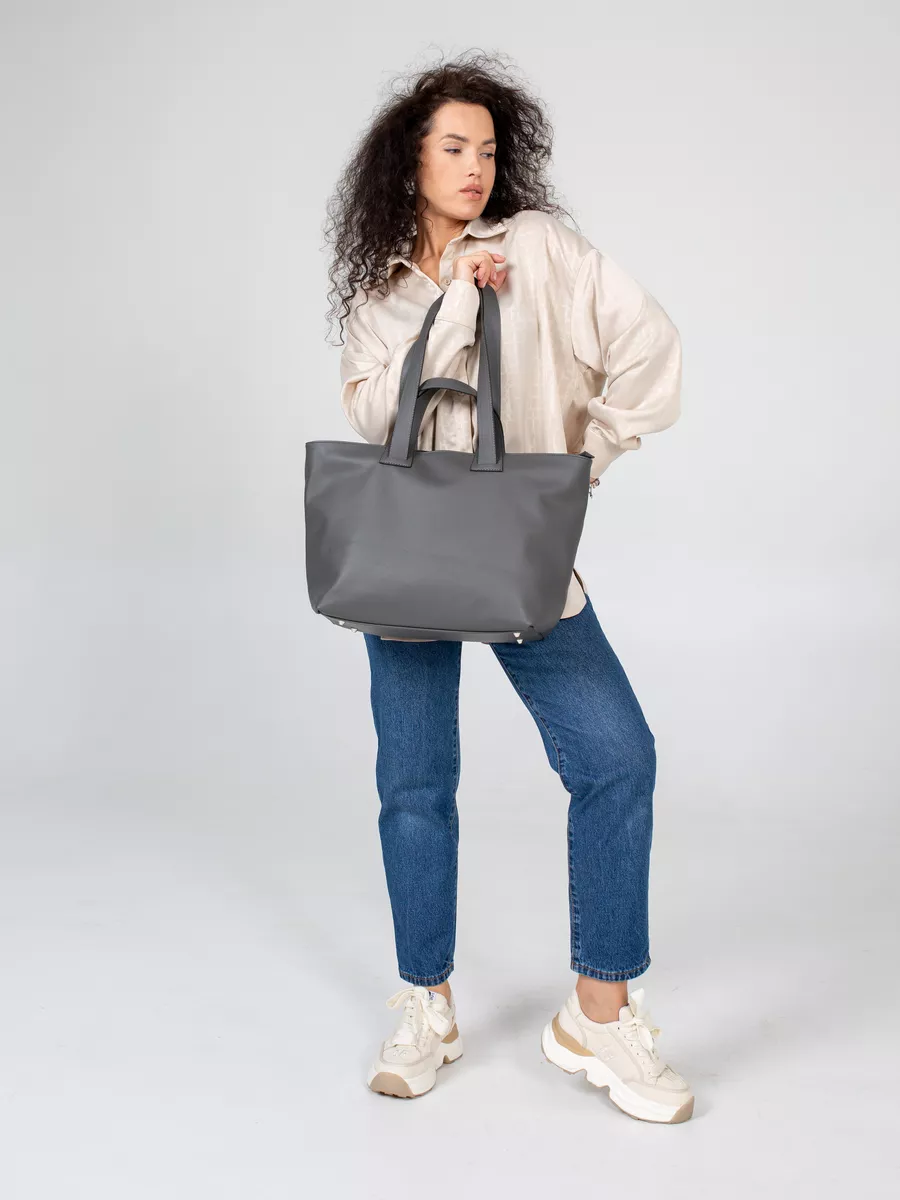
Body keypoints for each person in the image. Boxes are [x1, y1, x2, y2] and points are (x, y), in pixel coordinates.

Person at [322, 51, 693, 1123]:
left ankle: (598, 1012)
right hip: (406, 557)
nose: (476, 166)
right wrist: (450, 303)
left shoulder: (536, 247)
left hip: (519, 552)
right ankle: (426, 1004)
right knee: (414, 782)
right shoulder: (380, 292)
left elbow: (651, 350)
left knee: (616, 757)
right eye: (454, 147)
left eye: (488, 149)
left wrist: (583, 464)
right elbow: (372, 415)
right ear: (410, 160)